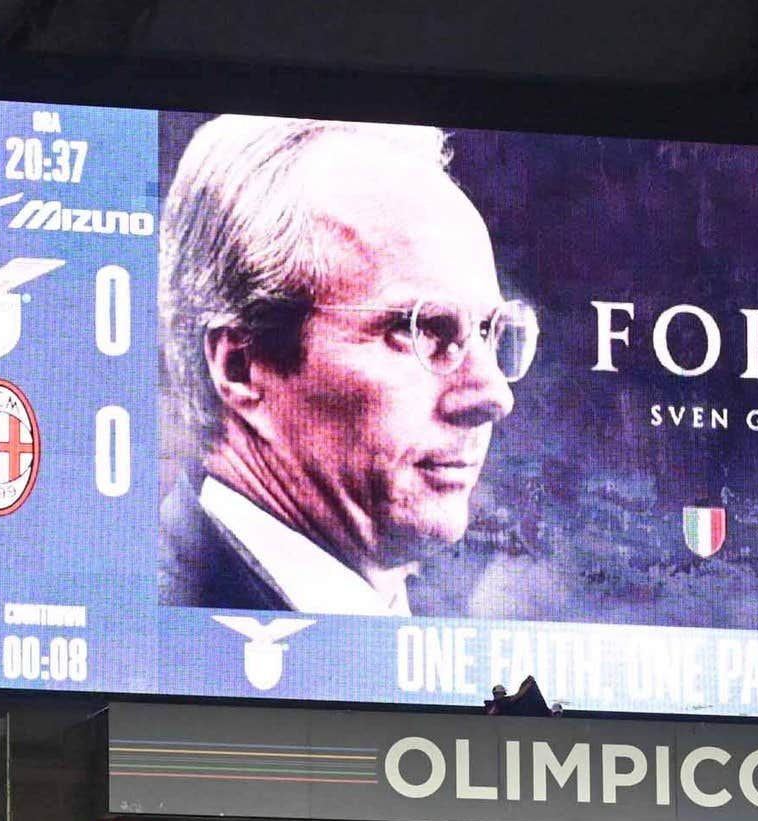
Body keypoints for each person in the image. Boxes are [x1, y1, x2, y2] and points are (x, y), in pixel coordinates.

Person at [157, 115, 534, 615]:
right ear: (240, 366)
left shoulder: (433, 629)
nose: (493, 396)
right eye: (417, 329)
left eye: (489, 332)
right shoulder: (146, 627)